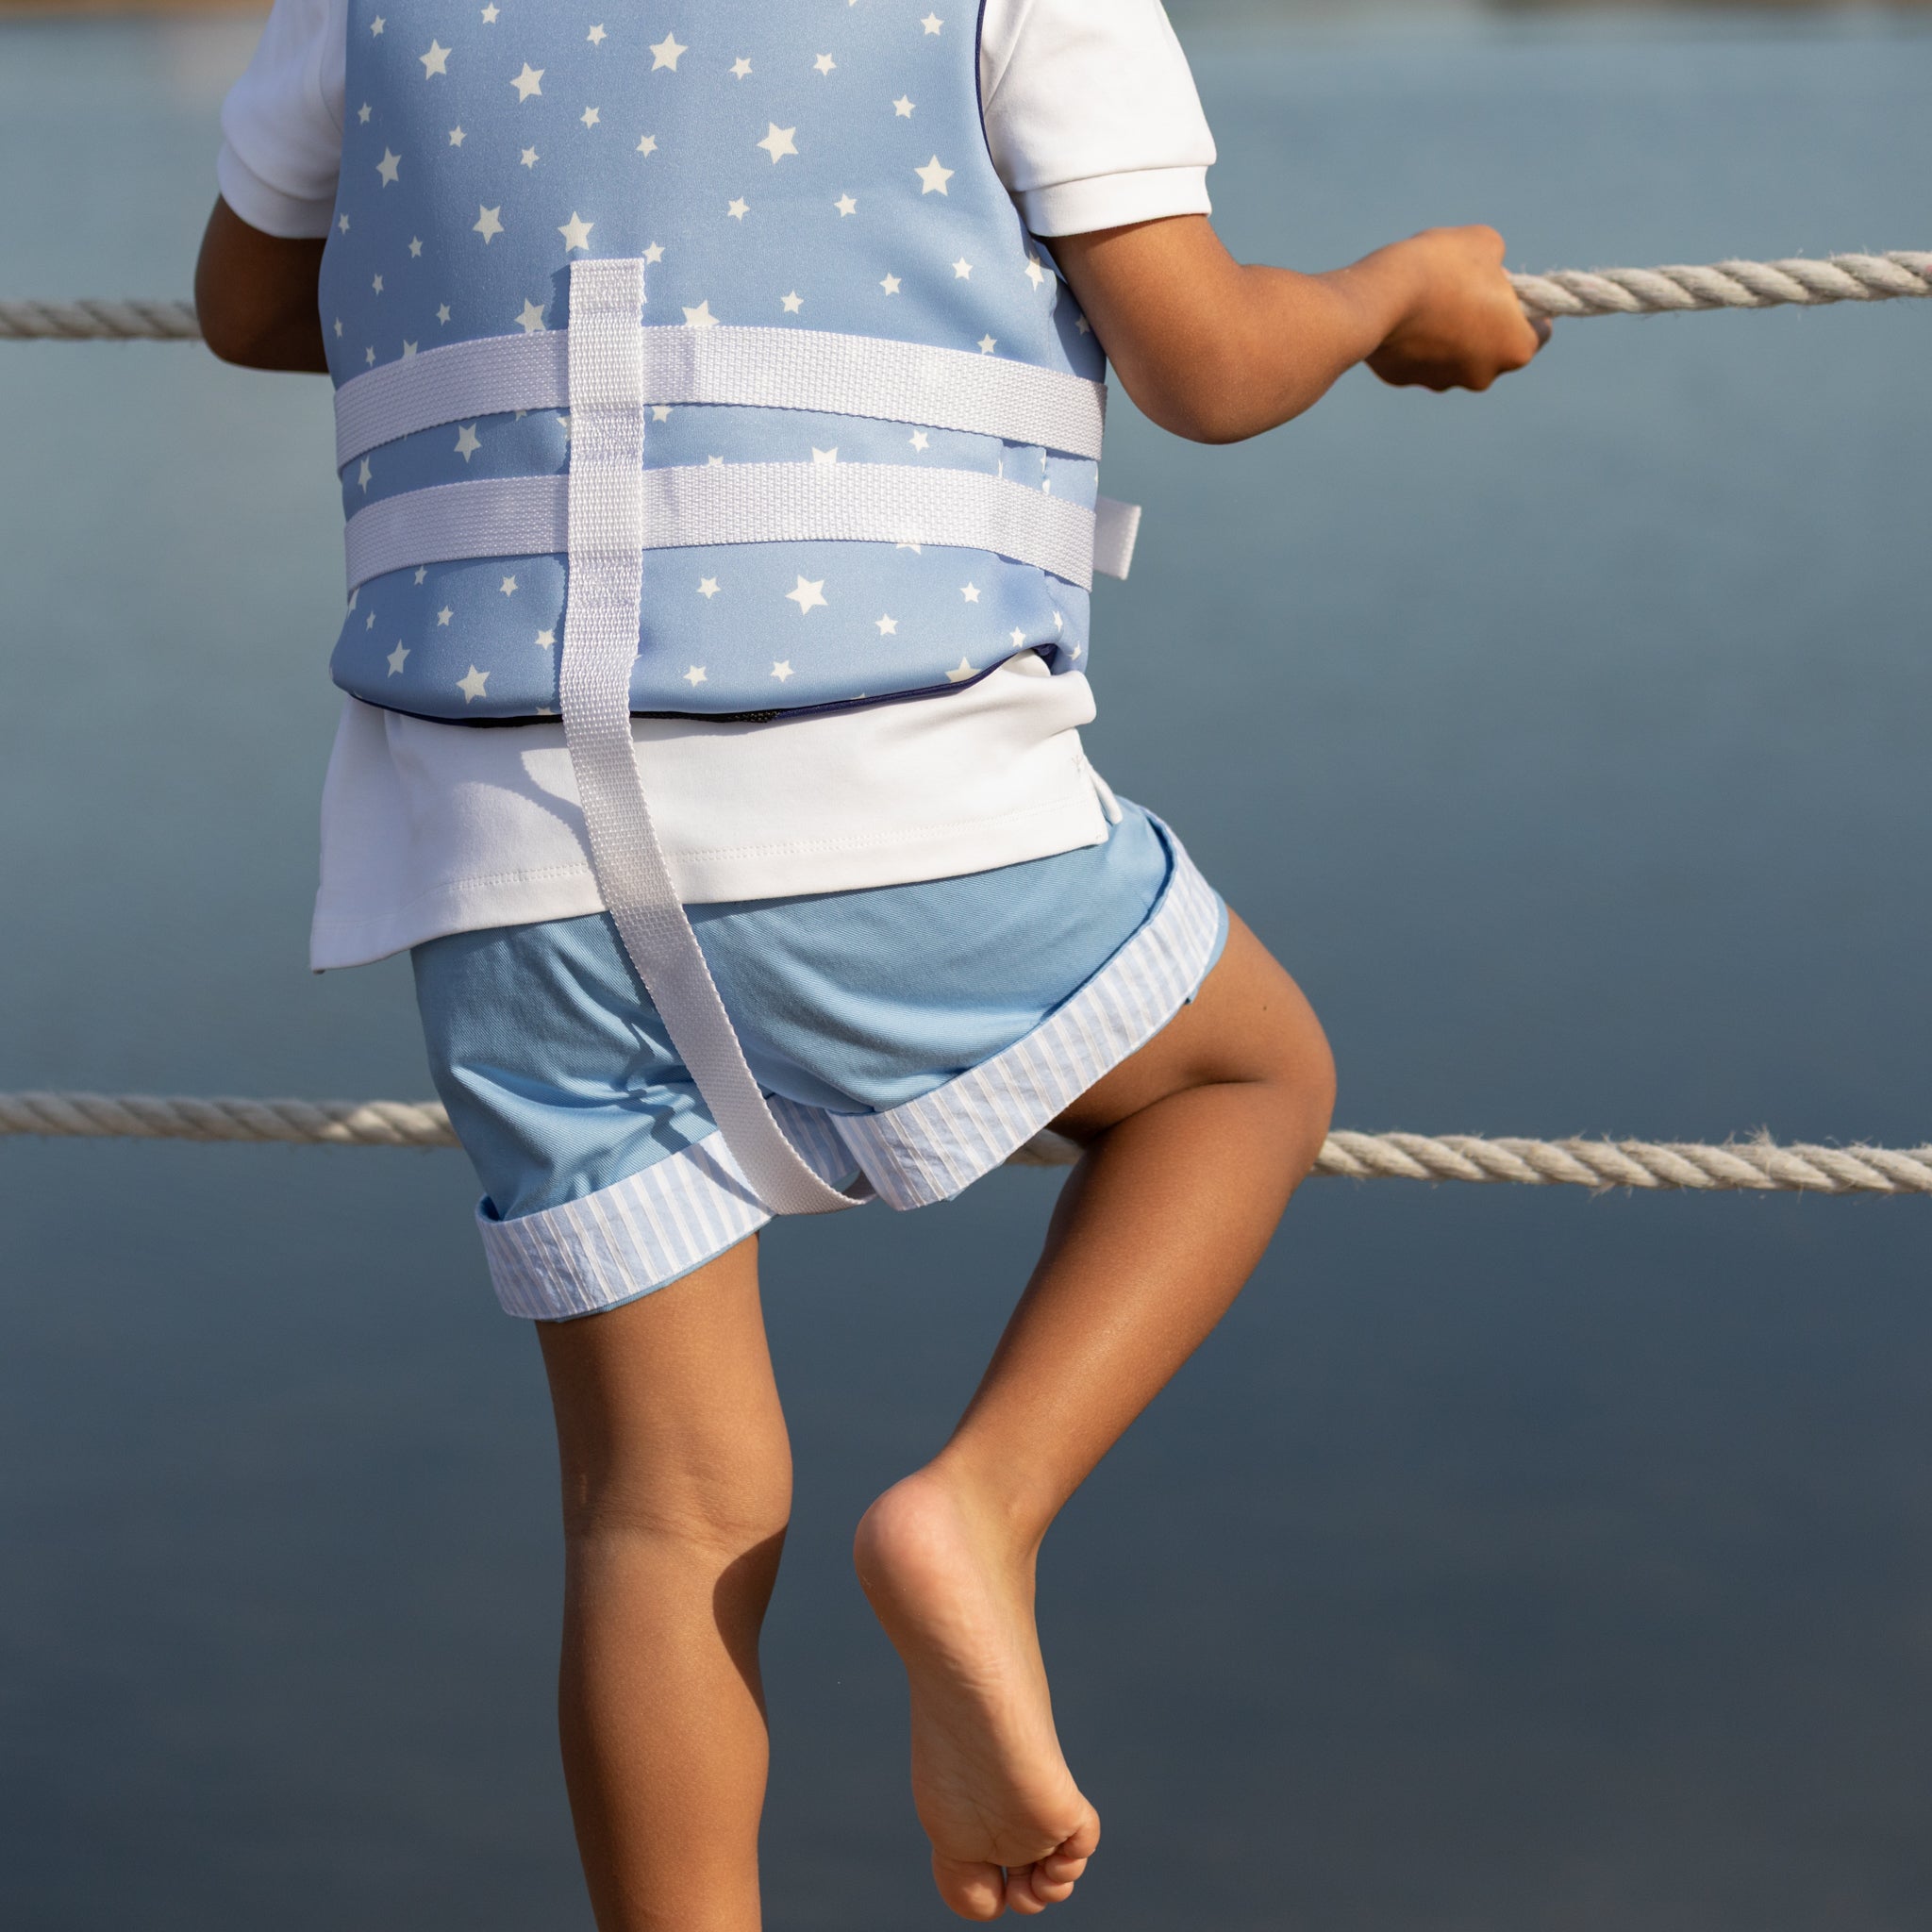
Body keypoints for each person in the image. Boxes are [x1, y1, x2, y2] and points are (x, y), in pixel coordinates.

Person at [196, 0, 1544, 1921]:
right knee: (1246, 1078)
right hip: (887, 796)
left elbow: (249, 307)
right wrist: (1398, 290)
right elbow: (1211, 367)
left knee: (661, 1511)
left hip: (499, 855)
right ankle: (976, 1507)